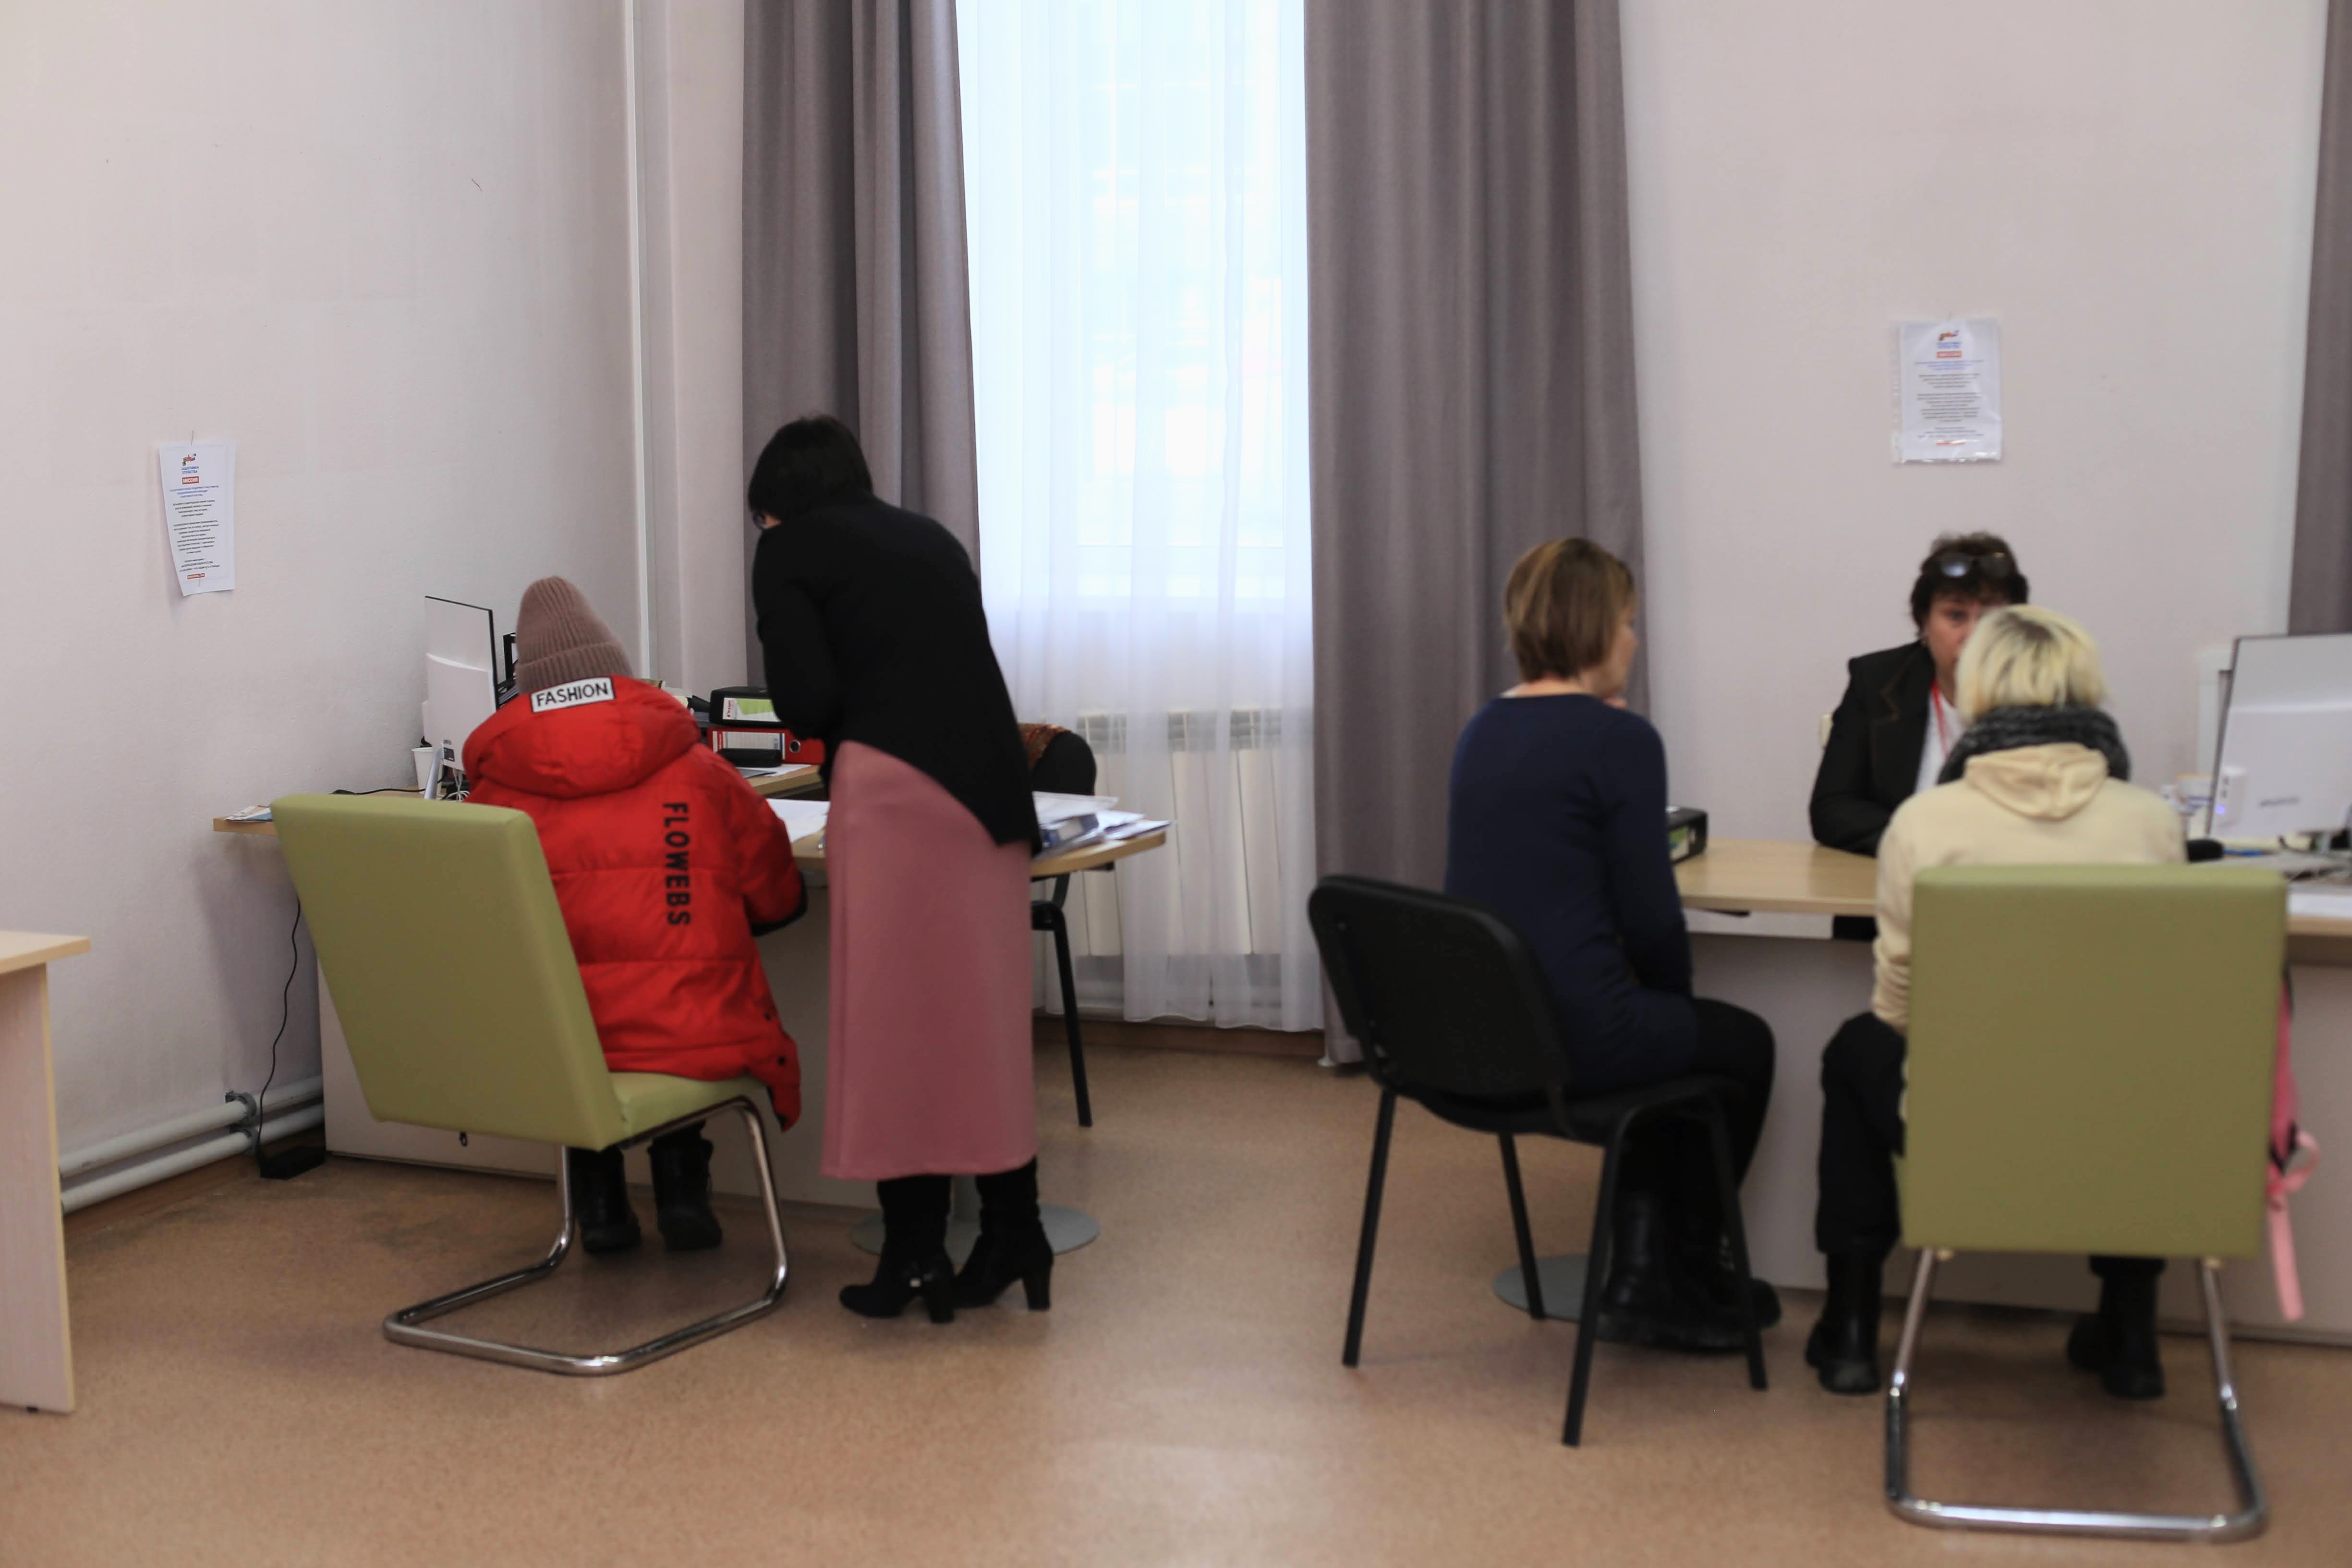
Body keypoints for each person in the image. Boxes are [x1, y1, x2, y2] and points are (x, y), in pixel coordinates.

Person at [1806, 605, 2186, 1398]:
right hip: (2116, 1128)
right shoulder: (2151, 823)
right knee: (2136, 1067)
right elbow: (2155, 1005)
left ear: (1976, 691)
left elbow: (1896, 1006)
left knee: (1855, 1050)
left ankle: (1849, 1326)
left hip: (1957, 1120)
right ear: (2083, 691)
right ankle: (2129, 1329)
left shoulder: (1924, 822)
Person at [748, 414, 1048, 1325]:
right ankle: (1014, 1232)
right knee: (980, 1025)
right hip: (994, 798)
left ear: (777, 501)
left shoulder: (788, 549)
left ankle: (914, 1252)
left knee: (894, 1027)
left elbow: (807, 700)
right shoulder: (930, 538)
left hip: (896, 793)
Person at [1445, 538, 1778, 1352]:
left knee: (1671, 1049)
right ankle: (1674, 1274)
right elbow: (1650, 917)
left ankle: (1646, 1275)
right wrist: (1671, 1001)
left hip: (1476, 1035)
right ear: (1593, 628)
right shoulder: (1620, 741)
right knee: (1739, 1045)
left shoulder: (1482, 728)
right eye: (1627, 622)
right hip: (1575, 1038)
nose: (1634, 639)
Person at [464, 577, 808, 1254]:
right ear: (617, 673)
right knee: (677, 1013)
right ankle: (682, 1186)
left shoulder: (491, 800)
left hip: (553, 1045)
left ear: (527, 691)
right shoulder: (700, 769)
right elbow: (775, 898)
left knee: (580, 1037)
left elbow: (482, 934)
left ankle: (599, 1202)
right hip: (698, 1033)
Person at [1810, 534, 2028, 859]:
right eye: (1956, 616)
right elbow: (1833, 808)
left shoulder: (2048, 694)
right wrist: (1926, 842)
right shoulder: (1877, 682)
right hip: (1902, 875)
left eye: (1990, 618)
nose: (1973, 635)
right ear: (1925, 622)